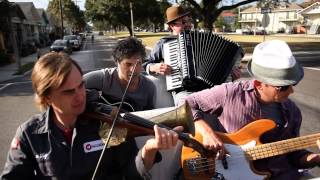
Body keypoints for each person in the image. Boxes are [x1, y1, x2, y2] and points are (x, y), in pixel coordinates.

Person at [0, 52, 182, 180]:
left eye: (81, 86)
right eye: (69, 92)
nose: (80, 96)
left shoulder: (106, 122)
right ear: (46, 97)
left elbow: (132, 173)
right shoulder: (29, 134)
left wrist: (149, 150)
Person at [185, 40, 320, 179]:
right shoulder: (229, 93)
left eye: (293, 84)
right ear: (259, 84)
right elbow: (186, 103)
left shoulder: (293, 112)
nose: (291, 91)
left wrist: (315, 159)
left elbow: (294, 155)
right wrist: (207, 132)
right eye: (283, 87)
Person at [143, 4, 241, 106]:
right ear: (172, 26)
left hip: (210, 90)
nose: (188, 25)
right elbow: (145, 63)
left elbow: (217, 69)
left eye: (189, 21)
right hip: (183, 91)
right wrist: (154, 67)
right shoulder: (164, 43)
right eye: (183, 22)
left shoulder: (203, 40)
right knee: (189, 105)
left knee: (234, 100)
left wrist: (231, 76)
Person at [84, 37, 155, 112]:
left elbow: (150, 114)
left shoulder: (149, 87)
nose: (133, 69)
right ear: (117, 62)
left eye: (138, 64)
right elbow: (73, 86)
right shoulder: (104, 78)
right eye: (128, 64)